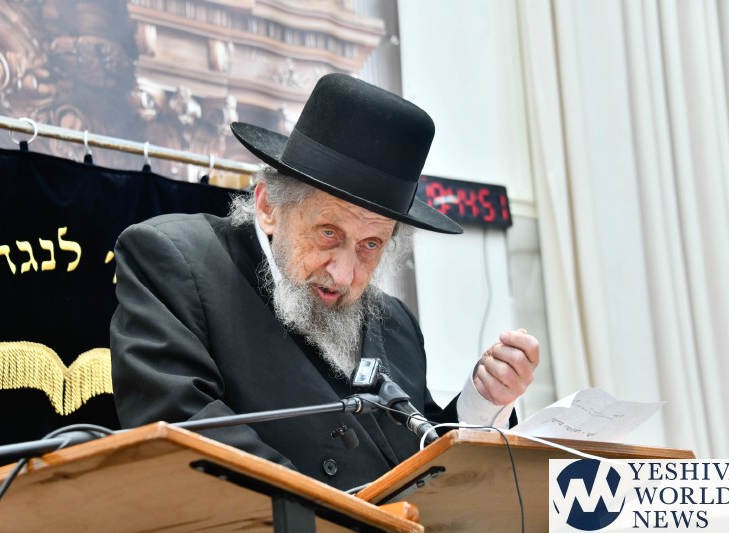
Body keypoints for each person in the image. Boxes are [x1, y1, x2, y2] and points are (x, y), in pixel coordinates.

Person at [110, 73, 539, 491]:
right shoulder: (176, 260)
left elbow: (419, 460)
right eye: (329, 233)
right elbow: (179, 431)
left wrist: (484, 401)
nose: (344, 274)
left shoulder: (397, 325)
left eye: (370, 245)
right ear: (269, 207)